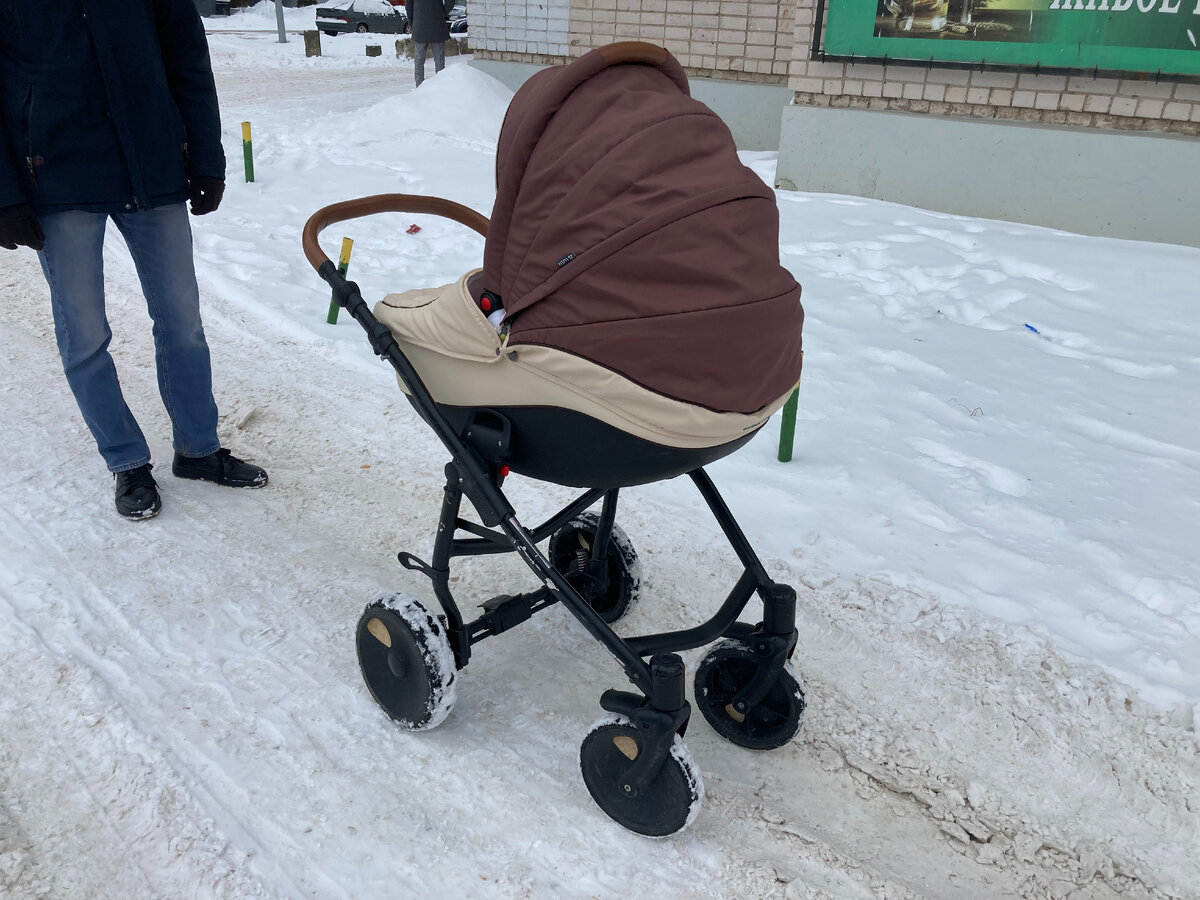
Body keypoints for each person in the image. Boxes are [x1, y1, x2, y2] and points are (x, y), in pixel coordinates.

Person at [0, 0, 268, 521]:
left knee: (183, 321)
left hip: (152, 167)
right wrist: (5, 194)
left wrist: (206, 158)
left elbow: (187, 59)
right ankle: (126, 460)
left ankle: (198, 449)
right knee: (84, 334)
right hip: (53, 176)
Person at [405, 0, 456, 87]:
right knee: (439, 59)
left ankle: (419, 87)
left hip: (419, 25)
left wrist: (412, 23)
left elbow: (408, 6)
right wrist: (442, 13)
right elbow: (450, 2)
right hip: (437, 24)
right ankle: (440, 86)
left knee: (419, 61)